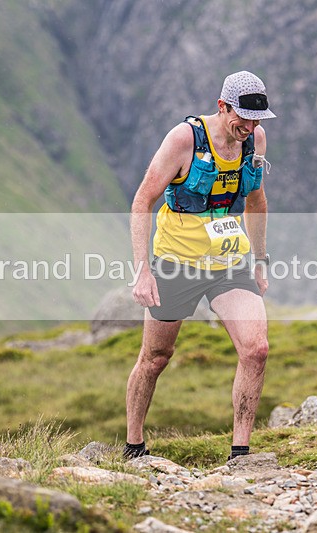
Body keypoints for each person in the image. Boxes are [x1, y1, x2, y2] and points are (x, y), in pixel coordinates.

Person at [125, 71, 276, 462]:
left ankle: (240, 453)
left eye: (257, 120)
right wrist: (143, 269)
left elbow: (256, 201)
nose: (250, 127)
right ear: (222, 106)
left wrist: (259, 261)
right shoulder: (184, 140)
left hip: (228, 262)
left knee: (256, 349)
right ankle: (134, 446)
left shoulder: (254, 139)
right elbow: (143, 201)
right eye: (242, 117)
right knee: (156, 358)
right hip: (177, 262)